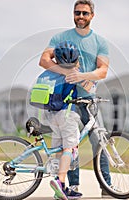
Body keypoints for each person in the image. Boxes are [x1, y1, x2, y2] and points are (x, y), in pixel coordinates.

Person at [39, 0, 112, 197]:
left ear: (92, 16)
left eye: (85, 13)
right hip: (65, 100)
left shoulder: (100, 42)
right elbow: (44, 60)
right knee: (69, 145)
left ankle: (107, 187)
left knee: (100, 142)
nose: (80, 16)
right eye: (77, 12)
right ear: (73, 14)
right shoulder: (60, 37)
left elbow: (103, 71)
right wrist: (66, 70)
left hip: (88, 100)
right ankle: (72, 187)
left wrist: (82, 76)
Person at [43, 41, 83, 200]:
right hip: (67, 114)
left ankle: (61, 189)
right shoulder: (73, 74)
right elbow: (88, 87)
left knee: (59, 150)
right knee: (70, 148)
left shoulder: (53, 71)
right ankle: (60, 181)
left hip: (52, 115)